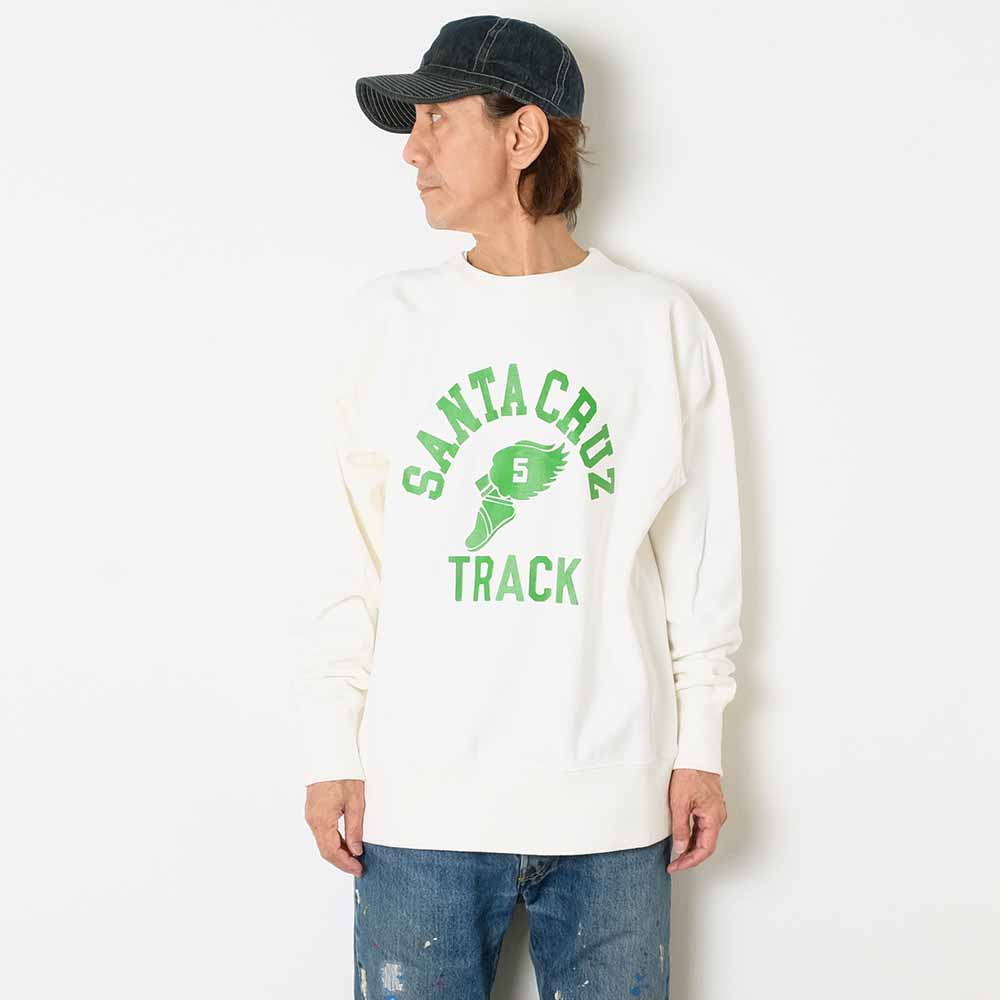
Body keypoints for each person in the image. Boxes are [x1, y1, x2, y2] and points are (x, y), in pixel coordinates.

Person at [293, 15, 743, 1000]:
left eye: (437, 119)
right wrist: (332, 746)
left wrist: (700, 747)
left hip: (613, 804)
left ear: (523, 134)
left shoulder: (656, 323)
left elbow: (701, 558)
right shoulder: (386, 322)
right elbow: (344, 554)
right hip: (419, 805)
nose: (411, 150)